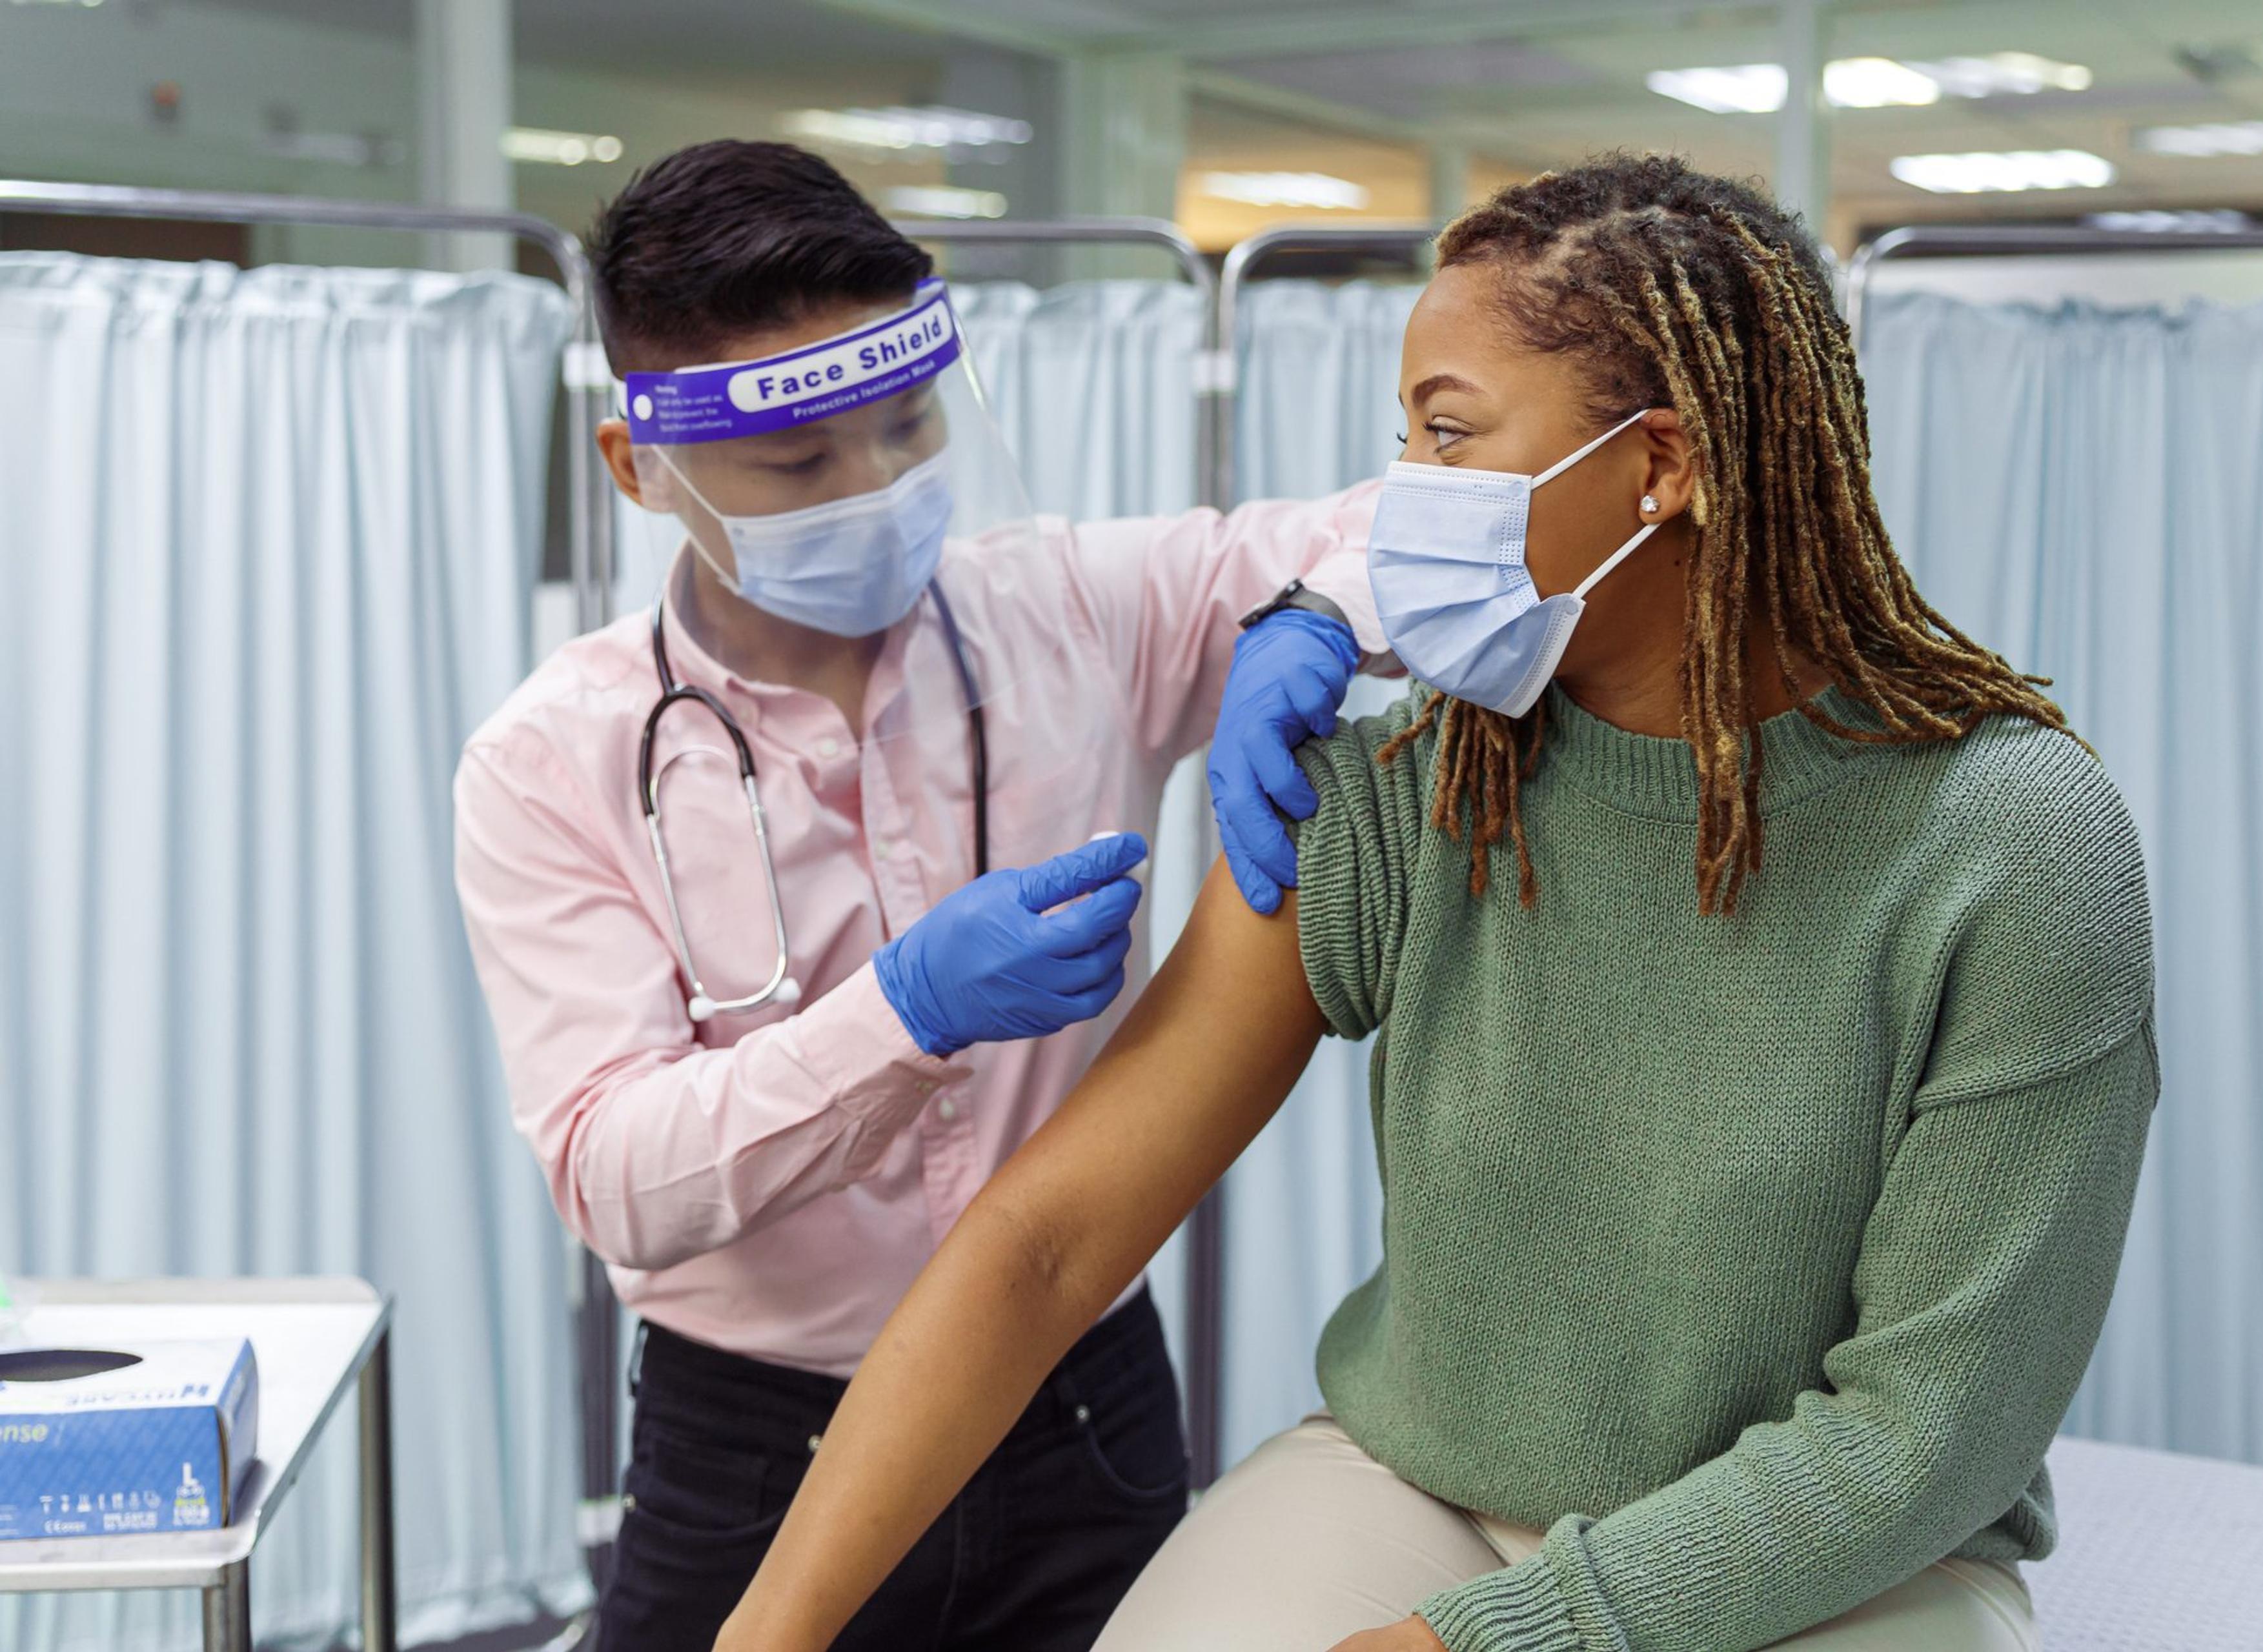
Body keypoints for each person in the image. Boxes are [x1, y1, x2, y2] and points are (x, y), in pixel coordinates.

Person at [712, 153, 2158, 1652]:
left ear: (1662, 462)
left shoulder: (2011, 843)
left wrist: (1484, 1642)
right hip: (1422, 1485)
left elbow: (1926, 1434)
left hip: (1838, 1552)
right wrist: (767, 1634)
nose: (1399, 504)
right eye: (1402, 437)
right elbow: (1052, 1239)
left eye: (1449, 436)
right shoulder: (1407, 792)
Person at [452, 139, 1388, 1651]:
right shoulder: (552, 762)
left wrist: (1323, 613)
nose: (878, 489)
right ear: (642, 466)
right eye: (799, 464)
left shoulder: (1071, 608)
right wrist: (904, 1012)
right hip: (753, 1442)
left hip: (1076, 1402)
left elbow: (1433, 516)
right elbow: (615, 1171)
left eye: (905, 428)